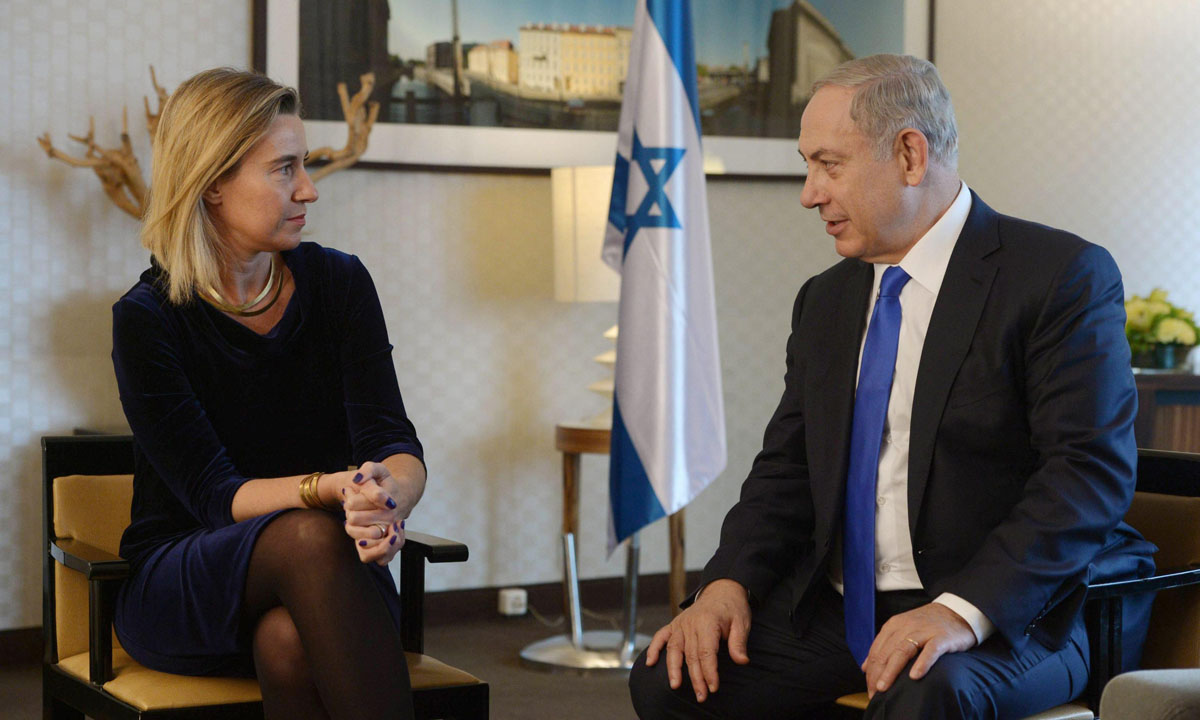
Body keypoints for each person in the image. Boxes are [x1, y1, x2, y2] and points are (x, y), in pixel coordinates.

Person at [628, 54, 1156, 719]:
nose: (809, 193)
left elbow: (1086, 474)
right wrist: (727, 583)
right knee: (670, 678)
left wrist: (959, 611)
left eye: (829, 165)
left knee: (923, 693)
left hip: (1014, 611)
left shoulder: (1058, 277)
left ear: (910, 155)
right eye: (808, 166)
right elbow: (788, 469)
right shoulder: (824, 300)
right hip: (843, 608)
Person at [111, 68, 425, 719]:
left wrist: (384, 498)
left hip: (329, 574)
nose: (309, 188)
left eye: (303, 164)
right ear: (213, 182)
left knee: (289, 639)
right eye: (284, 169)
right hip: (187, 580)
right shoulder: (147, 318)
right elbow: (217, 497)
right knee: (308, 535)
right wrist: (335, 488)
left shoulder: (340, 283)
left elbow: (392, 440)